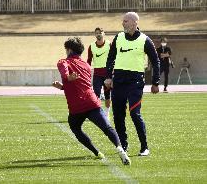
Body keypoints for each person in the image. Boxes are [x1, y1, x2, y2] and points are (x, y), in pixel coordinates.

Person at [52, 37, 131, 165]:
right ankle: (120, 148)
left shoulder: (63, 61)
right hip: (91, 102)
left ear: (69, 50)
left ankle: (97, 153)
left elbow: (64, 68)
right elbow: (81, 85)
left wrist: (66, 77)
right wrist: (63, 86)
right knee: (107, 128)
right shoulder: (87, 66)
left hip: (77, 107)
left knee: (75, 128)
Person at [105, 12, 160, 156]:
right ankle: (123, 145)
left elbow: (156, 61)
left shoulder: (145, 40)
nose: (123, 24)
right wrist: (108, 77)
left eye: (126, 21)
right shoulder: (118, 37)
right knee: (118, 115)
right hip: (118, 81)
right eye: (123, 21)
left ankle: (144, 147)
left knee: (135, 114)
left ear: (135, 22)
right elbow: (110, 58)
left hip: (135, 82)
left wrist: (155, 82)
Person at [87, 27, 111, 119]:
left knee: (107, 94)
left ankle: (107, 113)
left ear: (103, 33)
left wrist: (113, 70)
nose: (98, 34)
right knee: (96, 94)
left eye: (100, 32)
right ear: (95, 34)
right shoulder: (91, 46)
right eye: (96, 33)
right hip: (97, 74)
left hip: (107, 74)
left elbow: (114, 57)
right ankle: (98, 114)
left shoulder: (109, 44)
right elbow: (88, 61)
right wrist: (87, 73)